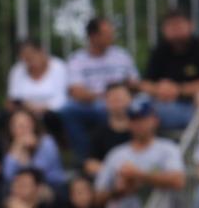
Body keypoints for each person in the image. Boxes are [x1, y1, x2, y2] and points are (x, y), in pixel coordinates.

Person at [60, 17, 140, 160]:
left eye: (111, 33)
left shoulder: (122, 56)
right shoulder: (77, 59)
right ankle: (85, 158)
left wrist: (119, 97)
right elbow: (76, 92)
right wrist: (108, 98)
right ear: (93, 36)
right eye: (107, 34)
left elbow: (134, 83)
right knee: (68, 110)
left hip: (123, 101)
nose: (111, 37)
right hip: (94, 104)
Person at [143, 7, 199, 134]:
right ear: (164, 29)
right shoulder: (159, 50)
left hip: (194, 104)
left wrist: (178, 89)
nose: (175, 30)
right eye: (170, 26)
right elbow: (146, 83)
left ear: (190, 25)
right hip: (165, 103)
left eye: (179, 24)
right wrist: (160, 89)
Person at [0, 108, 66, 193]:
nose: (23, 128)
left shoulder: (47, 141)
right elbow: (7, 175)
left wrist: (28, 157)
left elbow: (39, 174)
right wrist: (17, 147)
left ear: (33, 125)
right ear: (11, 129)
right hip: (22, 189)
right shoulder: (11, 146)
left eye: (26, 124)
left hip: (52, 186)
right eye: (19, 125)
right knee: (6, 188)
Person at [5, 38, 69, 118]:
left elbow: (61, 98)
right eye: (26, 58)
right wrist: (27, 106)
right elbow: (14, 98)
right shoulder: (17, 70)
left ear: (42, 51)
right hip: (26, 113)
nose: (30, 61)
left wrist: (44, 108)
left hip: (53, 113)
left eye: (32, 55)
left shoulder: (59, 67)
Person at [83, 81, 134, 180]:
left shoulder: (141, 128)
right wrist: (115, 173)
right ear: (106, 102)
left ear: (131, 99)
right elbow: (90, 163)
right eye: (114, 100)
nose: (119, 104)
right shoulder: (98, 132)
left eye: (121, 99)